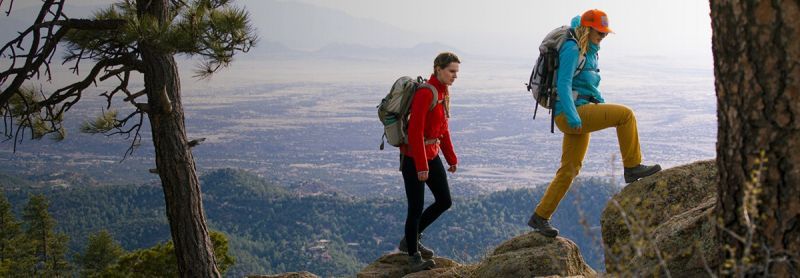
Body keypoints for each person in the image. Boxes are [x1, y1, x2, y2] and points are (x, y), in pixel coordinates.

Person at [527, 9, 662, 238]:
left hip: (579, 111)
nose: (603, 36)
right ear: (587, 29)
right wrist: (572, 116)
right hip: (571, 113)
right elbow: (564, 83)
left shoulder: (590, 49)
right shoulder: (572, 47)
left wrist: (598, 102)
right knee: (626, 115)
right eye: (599, 32)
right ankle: (632, 167)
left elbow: (587, 85)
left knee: (569, 169)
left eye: (605, 33)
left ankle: (540, 216)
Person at [398, 52, 459, 272]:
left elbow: (443, 130)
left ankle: (410, 239)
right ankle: (413, 256)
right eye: (451, 71)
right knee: (415, 207)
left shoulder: (443, 93)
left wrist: (451, 158)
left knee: (444, 200)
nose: (455, 76)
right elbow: (415, 132)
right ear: (438, 69)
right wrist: (421, 166)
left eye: (456, 72)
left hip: (432, 154)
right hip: (414, 157)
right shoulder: (426, 93)